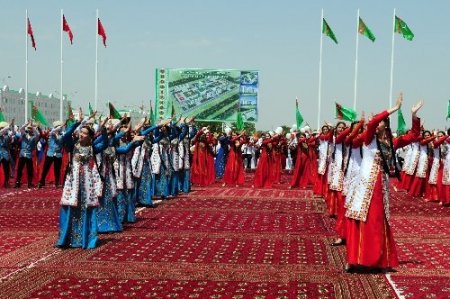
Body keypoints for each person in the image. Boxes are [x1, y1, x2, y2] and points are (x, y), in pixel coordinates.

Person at [344, 96, 422, 272]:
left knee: (378, 221)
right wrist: (393, 108)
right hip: (366, 185)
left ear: (385, 125)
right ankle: (355, 258)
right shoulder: (369, 139)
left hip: (381, 186)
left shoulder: (391, 143)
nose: (375, 124)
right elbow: (371, 124)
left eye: (380, 122)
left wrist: (413, 115)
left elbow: (414, 135)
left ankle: (376, 260)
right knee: (362, 220)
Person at [56, 110, 108, 249]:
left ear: (90, 137)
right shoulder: (72, 146)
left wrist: (103, 130)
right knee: (70, 205)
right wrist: (79, 122)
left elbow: (105, 143)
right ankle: (67, 238)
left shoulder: (93, 148)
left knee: (87, 207)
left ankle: (86, 238)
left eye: (84, 133)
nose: (81, 134)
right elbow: (66, 135)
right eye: (81, 132)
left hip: (86, 182)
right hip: (73, 182)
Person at [38, 121, 65, 188]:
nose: (59, 128)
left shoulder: (62, 135)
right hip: (50, 153)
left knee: (57, 169)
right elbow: (53, 131)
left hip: (58, 154)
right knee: (45, 168)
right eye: (57, 127)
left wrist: (61, 127)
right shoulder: (51, 133)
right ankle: (42, 181)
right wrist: (60, 126)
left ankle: (56, 182)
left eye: (59, 127)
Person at [15, 121, 39, 188]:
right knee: (20, 169)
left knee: (30, 170)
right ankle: (18, 182)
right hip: (22, 154)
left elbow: (37, 134)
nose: (29, 129)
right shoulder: (24, 135)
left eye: (30, 128)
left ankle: (30, 183)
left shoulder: (34, 137)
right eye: (28, 128)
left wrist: (33, 127)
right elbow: (21, 129)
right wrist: (26, 124)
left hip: (29, 155)